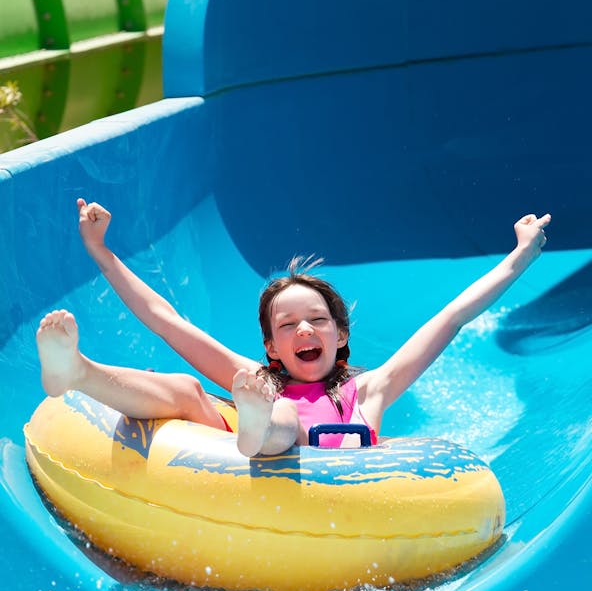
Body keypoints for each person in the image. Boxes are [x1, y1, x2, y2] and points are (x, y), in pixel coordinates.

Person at [36, 199, 550, 457]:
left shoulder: (368, 389)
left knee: (275, 410)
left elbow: (451, 317)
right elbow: (165, 320)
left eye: (318, 320)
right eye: (288, 324)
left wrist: (520, 258)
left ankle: (262, 428)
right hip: (247, 446)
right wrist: (100, 251)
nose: (304, 329)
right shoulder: (255, 376)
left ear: (340, 335)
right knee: (190, 388)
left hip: (318, 467)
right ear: (272, 345)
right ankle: (76, 372)